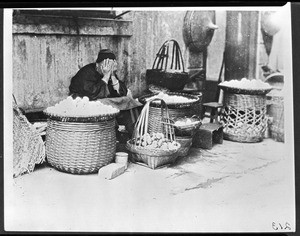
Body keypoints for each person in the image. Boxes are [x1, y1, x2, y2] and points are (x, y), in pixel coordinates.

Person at [69, 49, 141, 137]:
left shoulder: (109, 72)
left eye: (111, 65)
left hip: (104, 100)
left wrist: (112, 74)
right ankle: (111, 135)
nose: (108, 68)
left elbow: (121, 92)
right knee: (104, 104)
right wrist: (106, 76)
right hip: (83, 102)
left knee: (128, 101)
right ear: (97, 65)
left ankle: (135, 135)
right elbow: (93, 94)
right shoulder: (86, 73)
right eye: (106, 64)